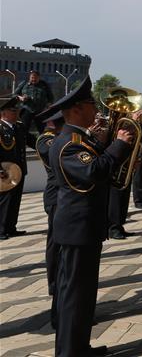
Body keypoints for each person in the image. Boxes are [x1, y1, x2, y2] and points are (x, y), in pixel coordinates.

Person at [46, 76, 135, 356]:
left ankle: (79, 347)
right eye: (91, 105)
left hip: (85, 227)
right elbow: (94, 171)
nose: (96, 110)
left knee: (84, 295)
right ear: (75, 109)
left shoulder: (79, 139)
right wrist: (119, 144)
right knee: (74, 295)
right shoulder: (68, 144)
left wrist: (107, 142)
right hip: (77, 229)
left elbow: (97, 162)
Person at [35, 109, 63, 328]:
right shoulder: (45, 139)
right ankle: (53, 282)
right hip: (55, 197)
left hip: (62, 196)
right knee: (55, 244)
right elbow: (58, 154)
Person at [0, 96, 30, 240]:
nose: (16, 113)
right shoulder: (1, 128)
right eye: (13, 111)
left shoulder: (19, 127)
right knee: (5, 200)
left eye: (16, 110)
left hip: (19, 170)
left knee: (15, 200)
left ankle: (11, 227)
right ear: (3, 113)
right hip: (5, 171)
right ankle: (1, 230)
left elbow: (32, 141)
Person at [15, 70, 54, 134]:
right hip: (27, 109)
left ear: (39, 77)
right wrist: (21, 98)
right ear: (29, 77)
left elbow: (51, 97)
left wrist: (49, 105)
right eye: (32, 78)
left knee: (42, 130)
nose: (34, 79)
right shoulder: (24, 84)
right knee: (24, 129)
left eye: (36, 78)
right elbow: (15, 94)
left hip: (40, 111)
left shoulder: (44, 85)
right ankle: (23, 140)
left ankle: (41, 140)